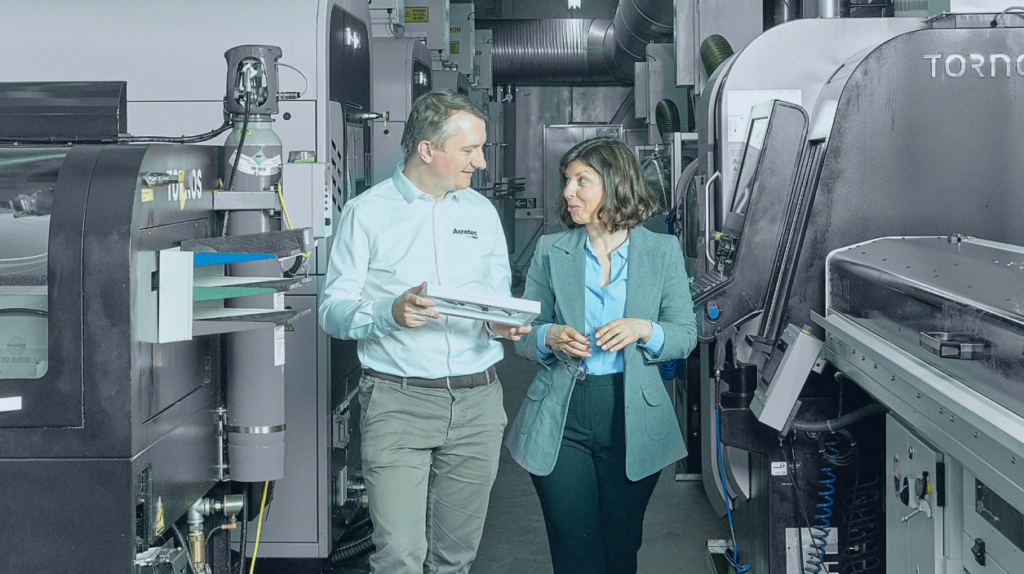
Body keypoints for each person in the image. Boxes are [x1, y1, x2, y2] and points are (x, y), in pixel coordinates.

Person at [318, 89, 530, 574]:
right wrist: (387, 312)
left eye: (480, 148)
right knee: (399, 557)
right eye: (469, 149)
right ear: (427, 150)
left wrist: (501, 322)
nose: (478, 161)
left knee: (455, 557)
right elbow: (332, 311)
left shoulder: (480, 213)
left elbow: (496, 298)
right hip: (399, 404)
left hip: (478, 405)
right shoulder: (367, 214)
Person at [505, 136, 697, 574]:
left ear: (615, 183)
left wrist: (643, 329)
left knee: (620, 546)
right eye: (567, 181)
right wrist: (549, 335)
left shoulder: (661, 252)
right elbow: (522, 336)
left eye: (582, 181)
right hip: (563, 414)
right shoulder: (552, 251)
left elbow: (685, 335)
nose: (569, 192)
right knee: (576, 548)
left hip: (632, 415)